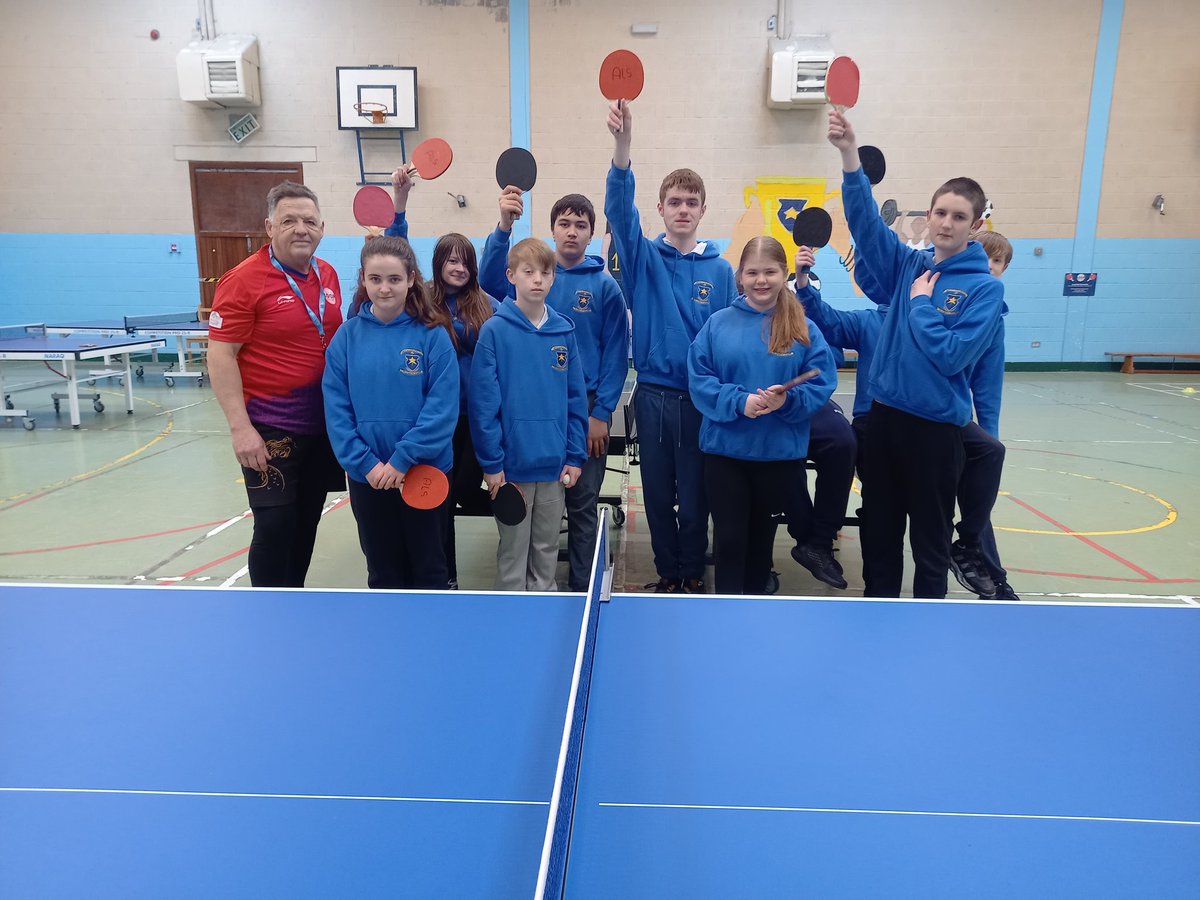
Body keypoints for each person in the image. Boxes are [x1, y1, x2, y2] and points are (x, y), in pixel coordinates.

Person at [828, 109, 1005, 599]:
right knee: (879, 534)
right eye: (940, 212)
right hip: (884, 423)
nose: (947, 223)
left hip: (935, 434)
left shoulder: (984, 291)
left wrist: (923, 307)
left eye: (959, 216)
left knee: (929, 543)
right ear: (928, 216)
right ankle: (876, 614)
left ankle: (929, 623)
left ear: (976, 224)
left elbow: (951, 357)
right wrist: (849, 157)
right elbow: (865, 227)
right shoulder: (909, 265)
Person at [605, 99, 737, 593]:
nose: (683, 210)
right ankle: (668, 573)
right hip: (654, 396)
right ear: (660, 208)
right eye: (674, 202)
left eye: (691, 202)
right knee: (657, 495)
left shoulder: (722, 272)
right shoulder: (642, 258)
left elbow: (728, 338)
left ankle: (692, 573)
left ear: (703, 210)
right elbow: (618, 209)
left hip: (701, 402)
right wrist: (623, 147)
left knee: (696, 497)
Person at [478, 188, 629, 591]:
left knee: (580, 506)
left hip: (583, 412)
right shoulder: (525, 282)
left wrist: (601, 414)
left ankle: (581, 590)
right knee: (524, 533)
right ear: (552, 229)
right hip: (523, 426)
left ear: (592, 232)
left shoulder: (604, 287)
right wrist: (503, 226)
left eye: (581, 225)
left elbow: (616, 352)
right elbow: (488, 278)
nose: (572, 232)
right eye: (564, 223)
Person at [208, 181, 345, 588]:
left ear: (322, 226)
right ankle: (267, 611)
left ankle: (293, 598)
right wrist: (240, 428)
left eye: (309, 220)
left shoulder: (328, 274)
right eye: (289, 220)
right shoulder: (243, 279)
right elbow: (220, 355)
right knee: (274, 525)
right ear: (269, 226)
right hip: (270, 430)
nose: (301, 229)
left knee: (306, 522)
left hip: (321, 429)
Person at [688, 236, 836, 595]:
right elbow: (699, 379)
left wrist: (787, 402)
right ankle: (724, 617)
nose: (761, 280)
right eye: (752, 272)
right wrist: (739, 402)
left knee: (760, 545)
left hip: (778, 457)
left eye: (770, 272)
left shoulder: (802, 326)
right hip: (725, 455)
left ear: (784, 273)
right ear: (740, 277)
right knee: (729, 540)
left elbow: (822, 379)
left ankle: (753, 615)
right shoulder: (718, 324)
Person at [321, 236, 458, 590]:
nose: (385, 288)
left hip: (424, 472)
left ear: (411, 279)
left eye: (394, 279)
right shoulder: (346, 338)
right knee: (382, 572)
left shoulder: (433, 336)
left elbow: (441, 411)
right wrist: (366, 464)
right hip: (369, 478)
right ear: (363, 280)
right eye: (376, 279)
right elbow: (337, 412)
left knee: (429, 569)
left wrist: (402, 460)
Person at [386, 167, 501, 589]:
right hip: (435, 421)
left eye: (464, 260)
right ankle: (444, 576)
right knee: (438, 500)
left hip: (476, 419)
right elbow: (396, 253)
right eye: (450, 259)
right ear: (438, 264)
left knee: (463, 494)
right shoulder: (421, 300)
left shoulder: (487, 304)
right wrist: (400, 205)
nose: (458, 266)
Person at [469, 238, 588, 592]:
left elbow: (575, 400)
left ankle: (544, 613)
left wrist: (575, 455)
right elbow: (483, 406)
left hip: (553, 468)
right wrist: (492, 464)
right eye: (528, 271)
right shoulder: (494, 331)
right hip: (511, 471)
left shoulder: (564, 331)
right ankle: (512, 621)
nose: (537, 279)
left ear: (553, 279)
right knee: (513, 553)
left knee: (546, 550)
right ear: (511, 276)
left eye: (545, 272)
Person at [951, 230, 1020, 601]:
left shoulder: (994, 318)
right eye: (983, 257)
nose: (989, 267)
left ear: (1004, 268)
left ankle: (993, 577)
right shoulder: (945, 301)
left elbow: (988, 385)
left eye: (997, 261)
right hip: (928, 416)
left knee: (977, 503)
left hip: (962, 423)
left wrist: (987, 437)